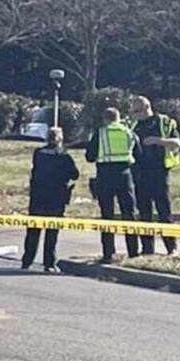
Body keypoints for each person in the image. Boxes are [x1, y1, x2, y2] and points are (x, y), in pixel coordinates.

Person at [85, 107, 140, 263]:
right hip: (125, 175)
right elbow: (139, 154)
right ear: (119, 118)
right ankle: (133, 252)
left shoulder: (101, 133)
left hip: (105, 175)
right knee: (129, 214)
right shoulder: (129, 132)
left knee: (107, 215)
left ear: (105, 119)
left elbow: (89, 156)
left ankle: (108, 253)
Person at [128, 95, 180, 255]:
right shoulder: (133, 125)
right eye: (132, 111)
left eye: (136, 111)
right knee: (144, 213)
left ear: (146, 108)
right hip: (139, 173)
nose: (134, 114)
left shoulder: (164, 122)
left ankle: (171, 248)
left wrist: (158, 141)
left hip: (159, 172)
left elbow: (177, 143)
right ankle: (147, 249)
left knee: (164, 212)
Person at [22, 127, 80, 272]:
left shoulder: (38, 153)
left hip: (38, 196)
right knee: (52, 231)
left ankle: (27, 261)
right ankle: (49, 263)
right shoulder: (64, 156)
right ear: (60, 139)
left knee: (33, 231)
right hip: (57, 197)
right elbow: (75, 175)